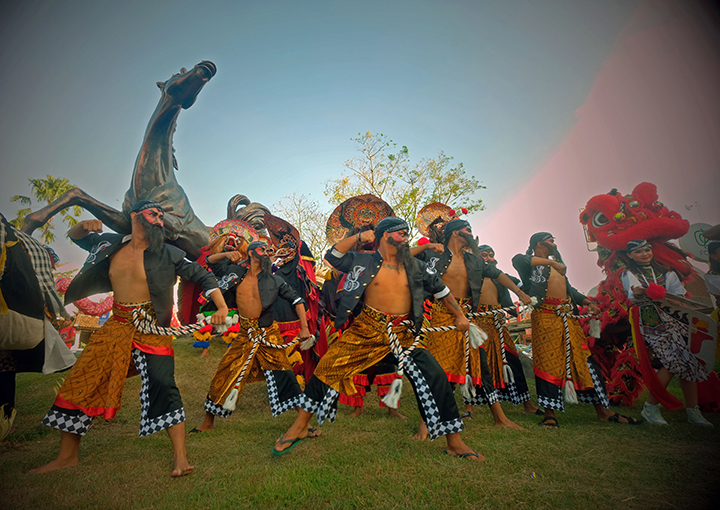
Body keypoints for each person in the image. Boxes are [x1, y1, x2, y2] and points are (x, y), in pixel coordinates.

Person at [31, 201, 229, 476]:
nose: (160, 219)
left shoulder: (169, 253)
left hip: (151, 328)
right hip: (117, 324)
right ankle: (67, 457)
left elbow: (203, 276)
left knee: (163, 383)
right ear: (135, 216)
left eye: (162, 216)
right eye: (153, 214)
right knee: (81, 381)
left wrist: (220, 307)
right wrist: (82, 225)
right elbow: (76, 236)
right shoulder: (110, 245)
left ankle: (181, 458)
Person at [273, 217, 482, 460]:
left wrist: (459, 315)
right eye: (400, 233)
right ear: (384, 236)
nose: (405, 238)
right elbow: (332, 256)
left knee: (436, 377)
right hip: (367, 329)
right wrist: (360, 237)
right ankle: (299, 427)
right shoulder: (364, 260)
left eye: (406, 234)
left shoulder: (416, 266)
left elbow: (442, 290)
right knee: (327, 368)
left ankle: (454, 442)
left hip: (402, 334)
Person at [512, 232, 642, 428]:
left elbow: (570, 290)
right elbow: (519, 260)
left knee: (586, 360)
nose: (554, 243)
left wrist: (588, 302)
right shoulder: (529, 263)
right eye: (551, 241)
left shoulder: (557, 268)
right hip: (546, 318)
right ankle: (549, 414)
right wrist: (552, 264)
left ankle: (603, 411)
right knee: (548, 363)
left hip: (568, 319)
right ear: (539, 243)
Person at [412, 220, 529, 436]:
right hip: (440, 316)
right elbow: (403, 256)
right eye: (467, 229)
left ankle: (500, 418)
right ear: (455, 232)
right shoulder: (433, 256)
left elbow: (498, 275)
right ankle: (425, 424)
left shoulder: (474, 261)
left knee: (481, 366)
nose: (471, 233)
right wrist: (427, 246)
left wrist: (519, 293)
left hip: (467, 317)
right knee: (438, 370)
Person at [191, 240, 316, 434]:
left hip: (268, 335)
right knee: (225, 373)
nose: (266, 252)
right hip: (244, 334)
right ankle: (208, 422)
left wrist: (304, 327)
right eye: (261, 249)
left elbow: (297, 300)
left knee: (285, 376)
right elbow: (210, 261)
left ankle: (305, 425)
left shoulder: (275, 280)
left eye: (267, 250)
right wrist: (225, 255)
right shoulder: (236, 274)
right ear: (250, 254)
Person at [622, 239, 713, 427]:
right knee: (672, 363)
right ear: (630, 255)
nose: (644, 254)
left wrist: (674, 300)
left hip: (674, 319)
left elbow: (678, 294)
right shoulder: (629, 273)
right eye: (638, 251)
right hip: (650, 321)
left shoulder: (666, 271)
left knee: (689, 361)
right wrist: (643, 291)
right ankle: (650, 407)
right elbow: (633, 292)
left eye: (647, 249)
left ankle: (693, 411)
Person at [475, 244, 540, 415]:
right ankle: (470, 407)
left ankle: (527, 404)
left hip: (498, 326)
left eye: (491, 255)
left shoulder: (501, 276)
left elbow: (523, 285)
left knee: (513, 361)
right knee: (476, 364)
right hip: (476, 327)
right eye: (484, 255)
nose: (488, 258)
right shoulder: (469, 276)